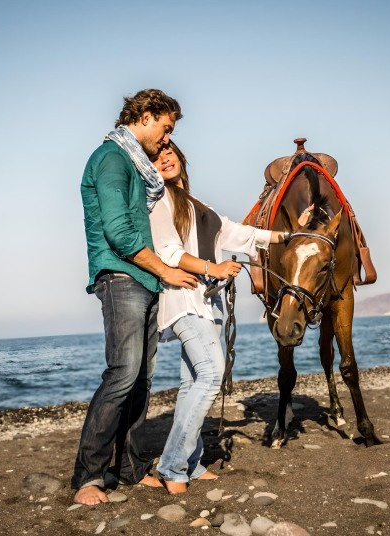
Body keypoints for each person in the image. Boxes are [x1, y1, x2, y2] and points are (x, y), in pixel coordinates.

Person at [74, 89, 199, 506]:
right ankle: (88, 477)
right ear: (146, 115)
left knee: (141, 380)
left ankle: (129, 469)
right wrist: (167, 271)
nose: (167, 140)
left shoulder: (136, 164)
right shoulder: (111, 158)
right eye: (166, 129)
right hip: (121, 275)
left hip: (144, 279)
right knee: (122, 374)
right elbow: (119, 232)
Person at [148, 141, 292, 494]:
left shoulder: (201, 207)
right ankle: (172, 466)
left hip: (208, 301)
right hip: (183, 298)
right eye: (156, 156)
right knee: (212, 375)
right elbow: (168, 251)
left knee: (191, 382)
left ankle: (192, 463)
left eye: (169, 152)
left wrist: (284, 236)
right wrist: (214, 267)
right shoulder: (158, 202)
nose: (164, 158)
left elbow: (239, 234)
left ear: (182, 157)